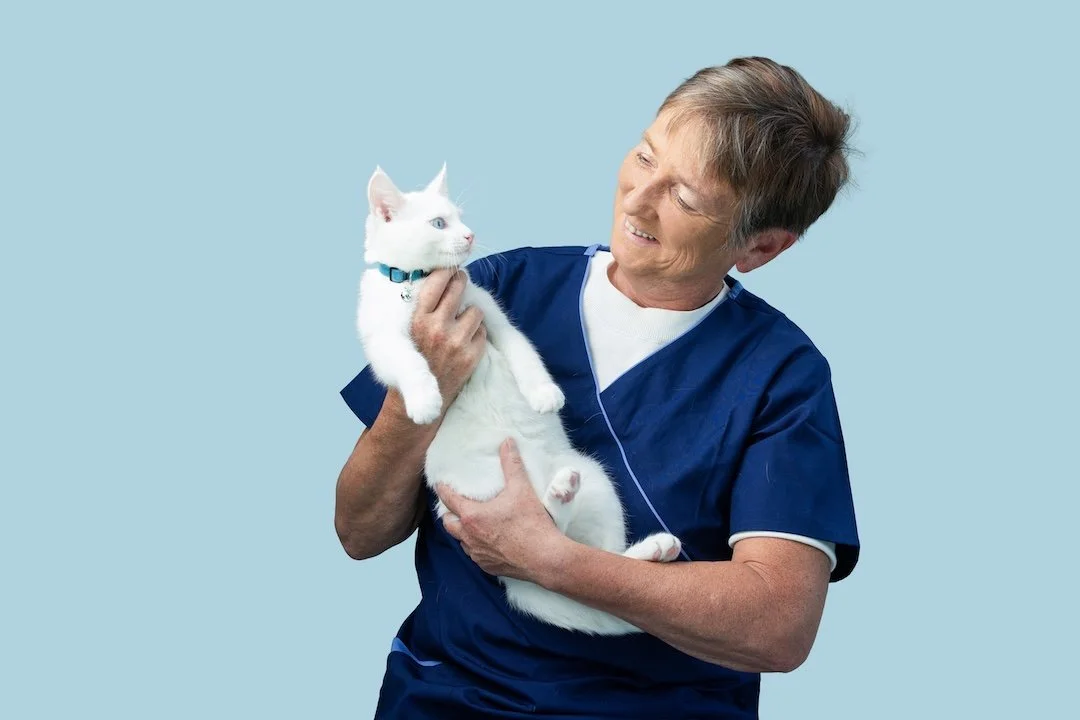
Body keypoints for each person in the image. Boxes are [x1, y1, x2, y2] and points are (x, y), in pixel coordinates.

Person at [336, 56, 860, 719]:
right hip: (449, 697)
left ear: (758, 249)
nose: (639, 200)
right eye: (645, 158)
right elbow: (358, 531)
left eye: (685, 196)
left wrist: (552, 561)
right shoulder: (502, 289)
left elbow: (779, 624)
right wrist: (422, 393)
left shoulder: (781, 376)